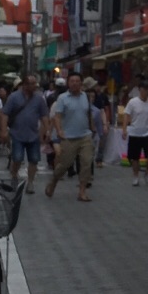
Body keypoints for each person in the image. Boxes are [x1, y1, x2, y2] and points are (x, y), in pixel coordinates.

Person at [44, 72, 99, 201]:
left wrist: (92, 127)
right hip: (69, 137)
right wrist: (59, 131)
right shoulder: (62, 98)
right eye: (72, 81)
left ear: (81, 83)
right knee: (64, 165)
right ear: (68, 83)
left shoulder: (85, 96)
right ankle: (53, 181)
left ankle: (82, 191)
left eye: (77, 81)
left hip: (85, 136)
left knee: (86, 163)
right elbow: (57, 117)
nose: (74, 83)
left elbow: (88, 113)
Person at [1, 73, 49, 194]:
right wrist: (4, 131)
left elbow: (44, 115)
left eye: (35, 84)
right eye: (31, 84)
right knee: (17, 158)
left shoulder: (39, 98)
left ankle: (30, 182)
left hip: (33, 134)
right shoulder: (14, 97)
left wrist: (47, 130)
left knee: (34, 159)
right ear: (25, 85)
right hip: (17, 134)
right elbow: (5, 114)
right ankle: (14, 175)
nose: (34, 86)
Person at [122, 80, 148, 186]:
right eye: (144, 90)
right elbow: (126, 115)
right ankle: (135, 175)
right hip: (135, 132)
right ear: (139, 90)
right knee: (134, 157)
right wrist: (124, 129)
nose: (146, 92)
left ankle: (147, 172)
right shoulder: (132, 102)